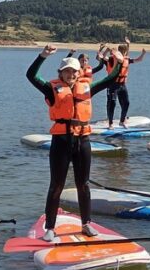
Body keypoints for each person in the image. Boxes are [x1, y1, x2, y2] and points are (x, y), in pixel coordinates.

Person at [26, 44, 122, 240]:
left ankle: (86, 223)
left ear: (79, 73)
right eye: (66, 71)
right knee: (56, 185)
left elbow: (110, 79)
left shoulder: (87, 88)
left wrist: (119, 62)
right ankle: (50, 227)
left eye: (73, 71)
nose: (70, 74)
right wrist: (42, 56)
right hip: (61, 141)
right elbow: (31, 75)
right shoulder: (51, 90)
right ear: (60, 73)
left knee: (83, 184)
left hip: (83, 141)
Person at [98, 37, 145, 128]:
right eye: (123, 51)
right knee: (112, 103)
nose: (125, 53)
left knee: (126, 103)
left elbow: (138, 60)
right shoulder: (112, 59)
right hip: (112, 84)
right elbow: (101, 57)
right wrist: (106, 50)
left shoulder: (127, 59)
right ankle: (110, 123)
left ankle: (122, 121)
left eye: (125, 51)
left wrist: (143, 53)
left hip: (122, 85)